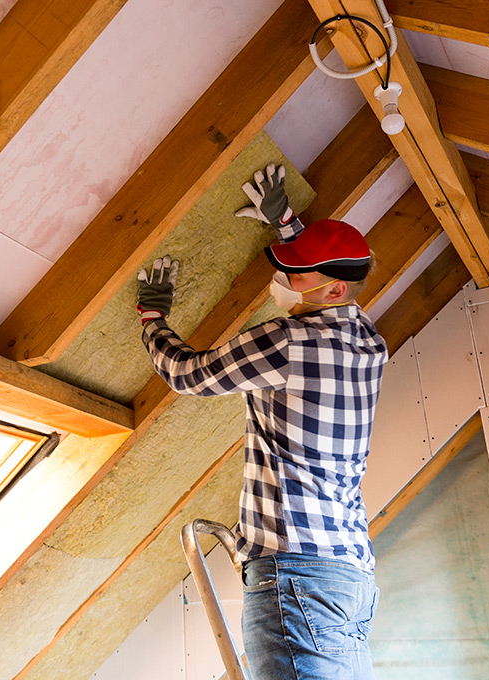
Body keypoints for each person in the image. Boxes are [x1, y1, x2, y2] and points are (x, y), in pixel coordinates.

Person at [135, 164, 388, 679]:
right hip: (347, 576)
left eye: (296, 274)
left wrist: (151, 321)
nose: (284, 281)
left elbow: (189, 375)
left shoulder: (287, 342)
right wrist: (288, 226)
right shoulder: (369, 341)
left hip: (296, 576)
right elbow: (332, 274)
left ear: (334, 291)